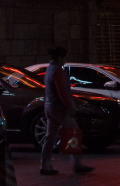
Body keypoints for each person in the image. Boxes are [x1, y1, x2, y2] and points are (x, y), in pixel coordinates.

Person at [40, 47, 93, 176]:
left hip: (50, 107)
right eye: (64, 58)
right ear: (59, 58)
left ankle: (45, 165)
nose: (65, 60)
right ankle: (77, 164)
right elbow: (62, 93)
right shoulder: (58, 71)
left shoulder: (49, 70)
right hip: (60, 109)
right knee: (74, 133)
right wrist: (70, 108)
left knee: (50, 137)